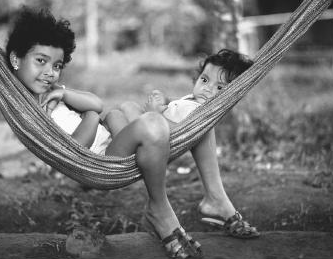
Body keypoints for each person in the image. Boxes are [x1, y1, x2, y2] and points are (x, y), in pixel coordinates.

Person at [6, 7, 202, 259]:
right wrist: (89, 117)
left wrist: (64, 94)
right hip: (101, 157)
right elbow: (75, 148)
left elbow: (97, 103)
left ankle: (173, 142)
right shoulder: (31, 114)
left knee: (131, 112)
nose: (50, 72)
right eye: (40, 61)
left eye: (57, 65)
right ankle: (160, 206)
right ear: (15, 60)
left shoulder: (51, 91)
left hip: (110, 136)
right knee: (151, 122)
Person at [104, 49, 260, 239]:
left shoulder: (200, 112)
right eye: (204, 80)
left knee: (123, 111)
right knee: (125, 109)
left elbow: (172, 132)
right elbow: (177, 114)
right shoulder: (195, 103)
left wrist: (155, 113)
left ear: (230, 95)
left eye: (219, 88)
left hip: (141, 146)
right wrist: (165, 102)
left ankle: (216, 199)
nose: (207, 89)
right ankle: (216, 198)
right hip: (129, 142)